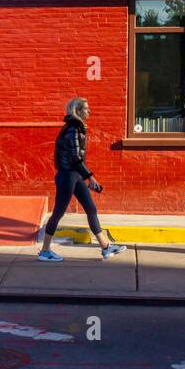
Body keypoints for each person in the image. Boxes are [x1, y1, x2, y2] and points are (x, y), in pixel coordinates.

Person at [37, 98, 125, 262]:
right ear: (77, 111)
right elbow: (76, 157)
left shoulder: (76, 128)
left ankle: (106, 248)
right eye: (86, 108)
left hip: (75, 174)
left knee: (91, 208)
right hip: (68, 175)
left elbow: (77, 159)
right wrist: (90, 177)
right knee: (58, 212)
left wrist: (86, 177)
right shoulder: (73, 129)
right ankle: (45, 251)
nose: (89, 111)